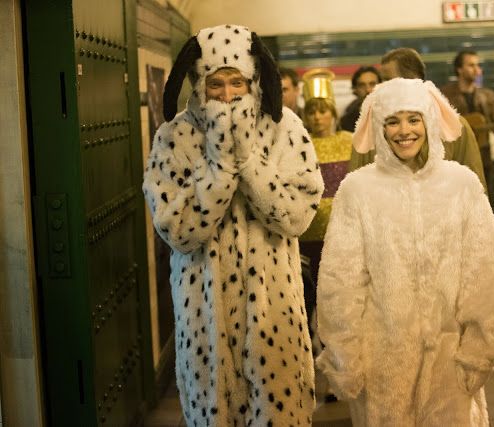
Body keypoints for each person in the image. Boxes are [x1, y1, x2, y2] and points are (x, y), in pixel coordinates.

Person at [142, 25, 323, 426]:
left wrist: (248, 163)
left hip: (274, 316)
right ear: (198, 83)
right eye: (216, 84)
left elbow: (297, 215)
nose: (226, 96)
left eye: (236, 82)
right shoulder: (174, 137)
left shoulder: (284, 127)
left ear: (253, 80)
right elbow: (178, 230)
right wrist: (219, 169)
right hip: (203, 319)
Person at [316, 78, 494, 425]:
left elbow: (484, 269)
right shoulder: (358, 190)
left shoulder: (461, 184)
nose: (404, 130)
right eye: (392, 121)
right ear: (379, 126)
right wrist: (344, 354)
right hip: (382, 363)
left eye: (413, 119)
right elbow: (339, 279)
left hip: (451, 361)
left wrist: (479, 346)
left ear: (430, 122)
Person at [350, 47, 487, 193]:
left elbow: (476, 189)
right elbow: (355, 186)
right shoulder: (370, 126)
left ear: (412, 80)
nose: (378, 87)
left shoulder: (454, 125)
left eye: (386, 80)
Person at [298, 68, 353, 284]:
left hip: (343, 226)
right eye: (312, 112)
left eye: (323, 111)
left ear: (333, 113)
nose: (317, 117)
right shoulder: (301, 143)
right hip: (309, 228)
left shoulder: (350, 141)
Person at [441, 50, 494, 194]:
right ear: (459, 69)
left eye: (478, 65)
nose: (477, 69)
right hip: (455, 160)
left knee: (484, 199)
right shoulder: (445, 95)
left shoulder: (488, 96)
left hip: (483, 159)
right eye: (471, 65)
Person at [339, 66, 381, 132]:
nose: (368, 90)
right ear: (355, 90)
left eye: (372, 84)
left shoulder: (392, 113)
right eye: (362, 85)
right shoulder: (347, 121)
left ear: (381, 86)